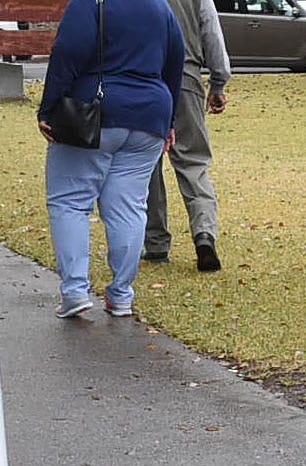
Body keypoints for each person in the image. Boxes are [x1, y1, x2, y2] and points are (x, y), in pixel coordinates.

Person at [37, 0, 185, 319]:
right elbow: (176, 64)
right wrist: (169, 121)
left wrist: (48, 107)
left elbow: (67, 52)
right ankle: (121, 295)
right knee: (129, 207)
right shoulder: (161, 7)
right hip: (150, 116)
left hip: (94, 112)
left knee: (70, 201)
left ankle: (75, 290)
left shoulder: (92, 3)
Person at [143, 0, 229, 272]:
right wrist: (218, 82)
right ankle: (204, 234)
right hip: (186, 79)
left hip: (146, 80)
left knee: (147, 166)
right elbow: (212, 33)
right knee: (194, 164)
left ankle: (155, 243)